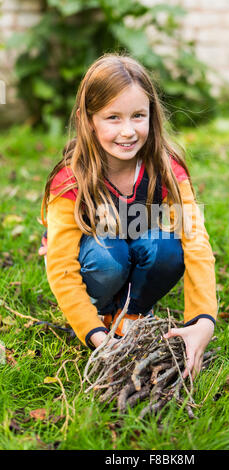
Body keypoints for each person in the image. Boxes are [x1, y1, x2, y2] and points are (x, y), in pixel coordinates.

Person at [39, 53, 218, 380]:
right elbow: (62, 268)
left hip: (136, 242)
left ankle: (132, 312)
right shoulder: (69, 181)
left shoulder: (166, 170)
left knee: (167, 247)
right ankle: (104, 313)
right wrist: (93, 333)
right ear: (87, 119)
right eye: (112, 118)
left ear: (152, 114)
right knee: (110, 257)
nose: (127, 131)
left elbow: (196, 243)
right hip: (96, 257)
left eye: (138, 116)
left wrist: (202, 320)